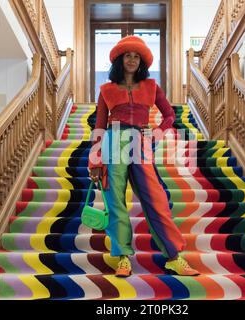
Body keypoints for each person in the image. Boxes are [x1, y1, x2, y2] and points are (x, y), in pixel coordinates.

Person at [88, 35, 199, 278]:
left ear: (142, 61)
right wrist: (94, 159)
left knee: (155, 198)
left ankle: (173, 257)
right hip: (112, 140)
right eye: (127, 55)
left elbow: (170, 116)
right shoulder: (106, 90)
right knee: (115, 200)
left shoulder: (152, 87)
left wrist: (156, 135)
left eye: (136, 56)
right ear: (119, 60)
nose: (131, 59)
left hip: (140, 141)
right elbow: (99, 126)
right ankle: (122, 257)